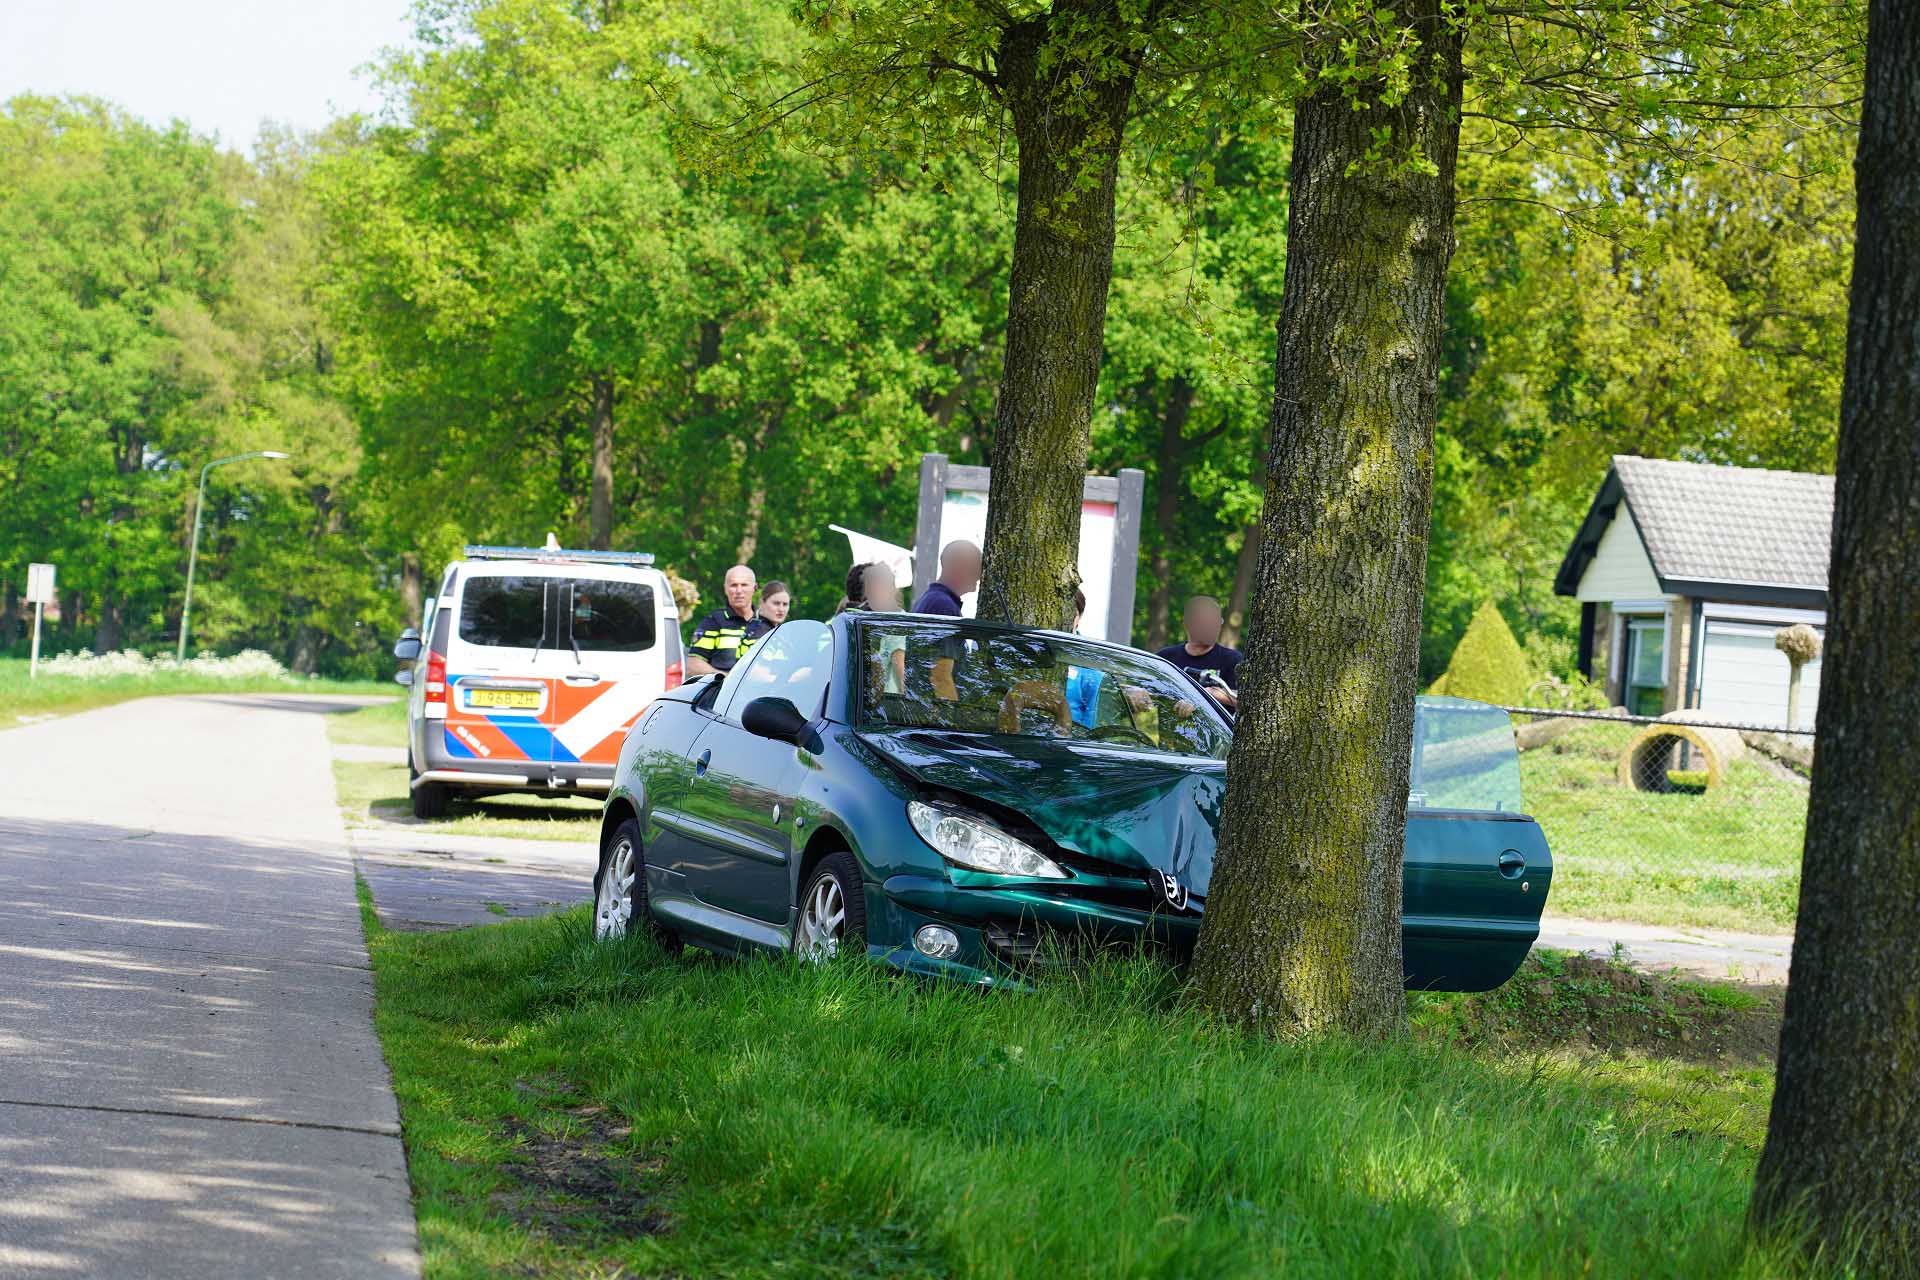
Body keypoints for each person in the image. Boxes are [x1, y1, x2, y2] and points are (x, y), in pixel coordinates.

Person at [1156, 595, 1240, 711]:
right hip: (1171, 728)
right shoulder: (1165, 659)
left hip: (1215, 729)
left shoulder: (1232, 660)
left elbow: (1247, 699)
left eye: (1217, 622)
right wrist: (1135, 692)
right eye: (1206, 622)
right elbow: (1145, 687)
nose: (1213, 627)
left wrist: (1210, 693)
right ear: (1186, 624)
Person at [687, 564, 772, 676]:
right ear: (725, 589)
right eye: (733, 585)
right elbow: (693, 665)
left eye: (744, 585)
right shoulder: (714, 622)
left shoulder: (767, 625)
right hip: (723, 691)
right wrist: (727, 678)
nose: (739, 590)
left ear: (754, 588)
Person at [911, 540, 981, 616]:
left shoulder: (933, 599)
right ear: (959, 566)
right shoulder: (941, 604)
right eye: (975, 568)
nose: (979, 575)